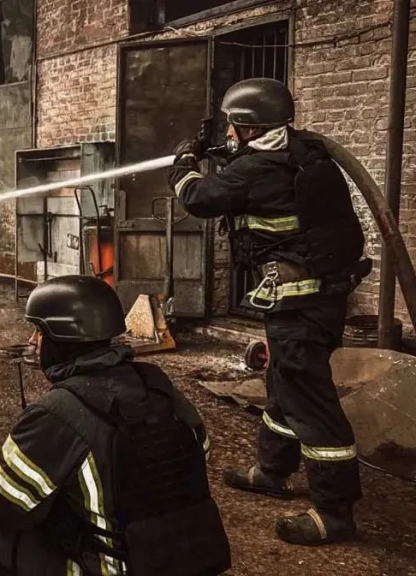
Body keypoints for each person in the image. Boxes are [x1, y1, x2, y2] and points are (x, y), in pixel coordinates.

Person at [168, 77, 372, 546]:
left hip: (301, 302)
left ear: (250, 127)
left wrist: (183, 164)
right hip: (314, 297)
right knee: (283, 383)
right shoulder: (300, 153)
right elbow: (254, 179)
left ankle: (334, 512)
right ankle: (272, 471)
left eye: (233, 125)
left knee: (310, 402)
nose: (228, 132)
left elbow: (198, 198)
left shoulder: (256, 168)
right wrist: (221, 155)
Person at [0, 275, 231, 576]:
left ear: (60, 337)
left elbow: (2, 502)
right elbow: (201, 451)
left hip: (124, 569)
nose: (33, 342)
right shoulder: (157, 384)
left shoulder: (59, 411)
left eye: (39, 332)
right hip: (192, 560)